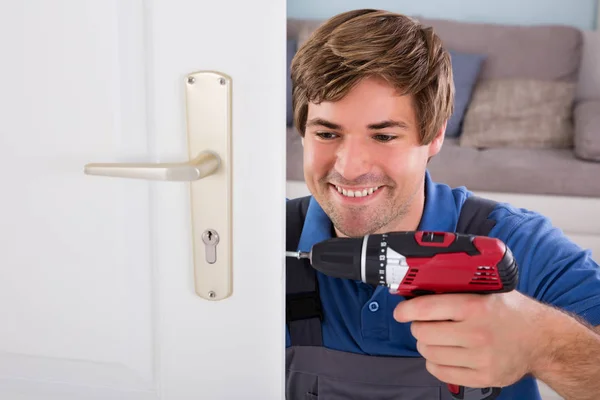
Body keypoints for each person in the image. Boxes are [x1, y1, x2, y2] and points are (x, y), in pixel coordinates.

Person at [285, 8, 600, 400]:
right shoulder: (267, 241)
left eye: (383, 137)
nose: (349, 168)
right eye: (327, 133)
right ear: (302, 132)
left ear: (434, 135)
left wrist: (543, 343)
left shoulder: (509, 243)